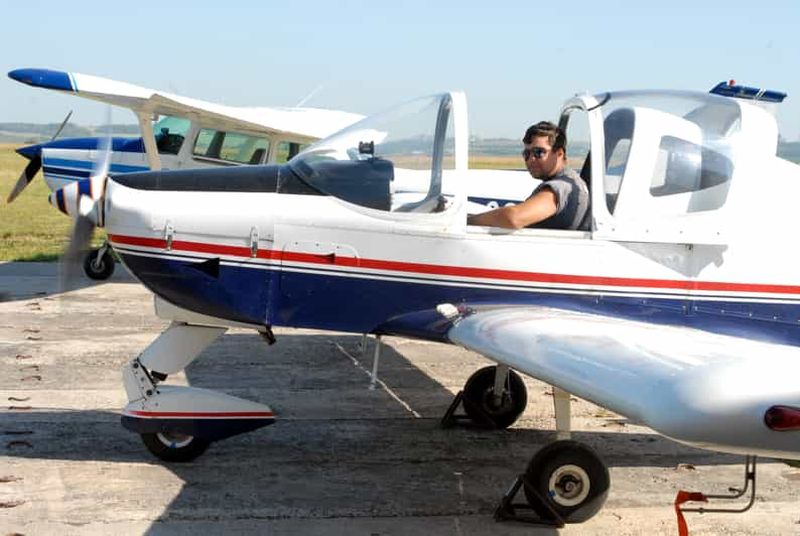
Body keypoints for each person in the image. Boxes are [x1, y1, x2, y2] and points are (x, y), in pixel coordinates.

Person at [467, 121, 589, 230]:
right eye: (526, 153)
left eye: (539, 152)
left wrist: (467, 222)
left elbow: (513, 218)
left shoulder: (561, 187)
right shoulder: (569, 181)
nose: (531, 159)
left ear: (559, 154)